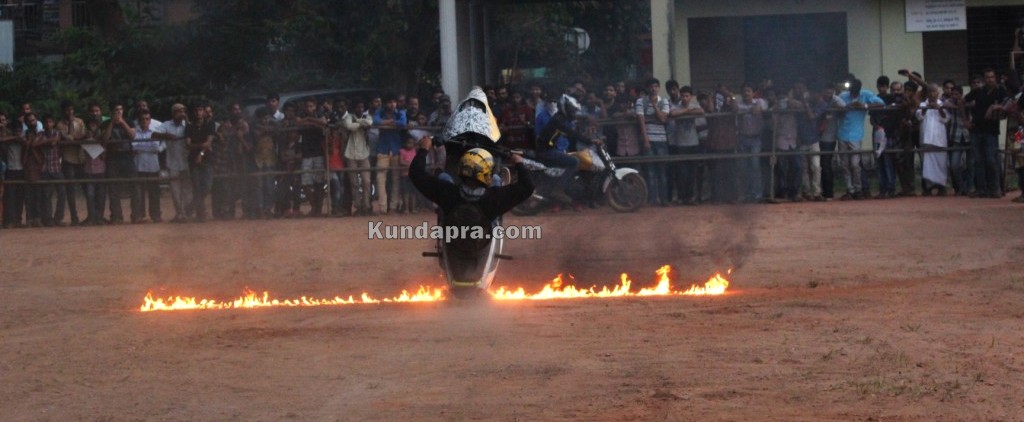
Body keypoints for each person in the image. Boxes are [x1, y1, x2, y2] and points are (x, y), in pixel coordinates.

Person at [409, 137, 533, 243]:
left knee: (444, 177)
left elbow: (416, 173)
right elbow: (527, 187)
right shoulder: (495, 198)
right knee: (496, 179)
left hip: (455, 237)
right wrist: (519, 164)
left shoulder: (447, 193)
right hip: (482, 239)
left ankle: (442, 215)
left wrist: (423, 149)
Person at [837, 78, 885, 200]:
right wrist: (846, 107)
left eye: (856, 91)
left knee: (855, 164)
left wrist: (864, 105)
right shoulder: (843, 96)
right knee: (845, 164)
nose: (854, 94)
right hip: (842, 133)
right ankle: (850, 190)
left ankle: (858, 189)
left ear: (859, 89)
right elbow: (836, 109)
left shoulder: (865, 94)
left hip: (856, 134)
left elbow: (881, 104)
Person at [964, 69, 1009, 198]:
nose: (990, 79)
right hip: (976, 129)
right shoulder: (978, 91)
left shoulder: (1001, 91)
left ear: (995, 78)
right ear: (984, 79)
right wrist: (965, 120)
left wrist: (995, 107)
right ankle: (981, 189)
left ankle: (995, 188)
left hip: (991, 131)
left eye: (992, 77)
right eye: (987, 77)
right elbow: (962, 101)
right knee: (978, 161)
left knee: (991, 160)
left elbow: (1008, 103)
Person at [535, 94, 586, 205]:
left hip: (549, 149)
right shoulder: (559, 120)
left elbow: (572, 132)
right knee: (574, 162)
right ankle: (558, 189)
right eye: (571, 110)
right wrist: (590, 141)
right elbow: (572, 133)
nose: (573, 113)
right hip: (546, 151)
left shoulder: (561, 118)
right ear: (565, 108)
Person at [152, 103, 191, 222]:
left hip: (187, 162)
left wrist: (187, 122)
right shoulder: (167, 125)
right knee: (175, 191)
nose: (182, 114)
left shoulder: (188, 125)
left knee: (188, 191)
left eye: (183, 111)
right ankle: (180, 214)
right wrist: (166, 135)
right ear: (173, 113)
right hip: (173, 162)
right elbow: (153, 135)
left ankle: (186, 212)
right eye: (179, 111)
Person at [636, 78, 671, 205]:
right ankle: (652, 200)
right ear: (648, 88)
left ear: (659, 88)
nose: (653, 89)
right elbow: (641, 121)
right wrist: (646, 139)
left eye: (656, 86)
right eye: (651, 86)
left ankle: (664, 199)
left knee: (662, 171)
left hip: (661, 139)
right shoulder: (640, 101)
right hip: (649, 139)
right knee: (650, 171)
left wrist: (655, 105)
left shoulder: (664, 101)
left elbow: (662, 119)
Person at [102, 102, 137, 224]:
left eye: (121, 109)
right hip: (113, 157)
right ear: (112, 112)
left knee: (134, 185)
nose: (119, 112)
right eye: (116, 110)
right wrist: (112, 123)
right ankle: (116, 216)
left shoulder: (129, 121)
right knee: (113, 188)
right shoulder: (106, 123)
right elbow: (105, 139)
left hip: (127, 156)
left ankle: (136, 215)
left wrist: (122, 122)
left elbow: (132, 135)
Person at [736, 82, 768, 202]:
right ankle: (746, 194)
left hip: (756, 138)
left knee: (755, 166)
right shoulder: (739, 104)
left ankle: (757, 195)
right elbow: (734, 109)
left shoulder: (760, 101)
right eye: (744, 91)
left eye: (748, 91)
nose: (746, 93)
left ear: (753, 93)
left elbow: (763, 108)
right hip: (743, 138)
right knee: (743, 167)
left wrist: (757, 107)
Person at [916, 84, 951, 196]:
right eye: (930, 92)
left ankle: (941, 187)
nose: (932, 94)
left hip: (939, 139)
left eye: (934, 91)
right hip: (927, 139)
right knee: (928, 165)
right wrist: (926, 108)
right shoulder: (922, 104)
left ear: (938, 93)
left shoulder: (943, 104)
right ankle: (928, 188)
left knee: (941, 163)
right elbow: (919, 117)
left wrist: (939, 108)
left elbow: (946, 119)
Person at [130, 111, 164, 222]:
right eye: (142, 119)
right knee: (138, 193)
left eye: (147, 119)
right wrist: (148, 147)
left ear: (150, 120)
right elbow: (134, 147)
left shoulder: (155, 132)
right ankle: (139, 215)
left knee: (154, 192)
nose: (145, 121)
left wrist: (142, 147)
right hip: (139, 166)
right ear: (139, 121)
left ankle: (155, 215)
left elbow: (156, 148)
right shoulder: (135, 132)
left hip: (153, 166)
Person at [56, 101, 86, 226]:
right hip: (68, 158)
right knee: (70, 189)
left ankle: (93, 214)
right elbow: (70, 138)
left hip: (80, 157)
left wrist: (74, 138)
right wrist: (73, 134)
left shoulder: (80, 121)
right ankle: (74, 216)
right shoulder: (60, 125)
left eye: (72, 109)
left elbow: (82, 136)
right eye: (68, 110)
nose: (70, 112)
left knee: (86, 186)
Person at [343, 101, 374, 215]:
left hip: (364, 153)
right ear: (354, 108)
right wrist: (361, 123)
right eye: (358, 107)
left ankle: (366, 205)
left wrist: (357, 122)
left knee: (367, 181)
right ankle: (358, 206)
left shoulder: (367, 116)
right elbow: (349, 127)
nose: (360, 109)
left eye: (361, 106)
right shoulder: (348, 117)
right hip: (350, 153)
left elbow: (369, 123)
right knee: (354, 183)